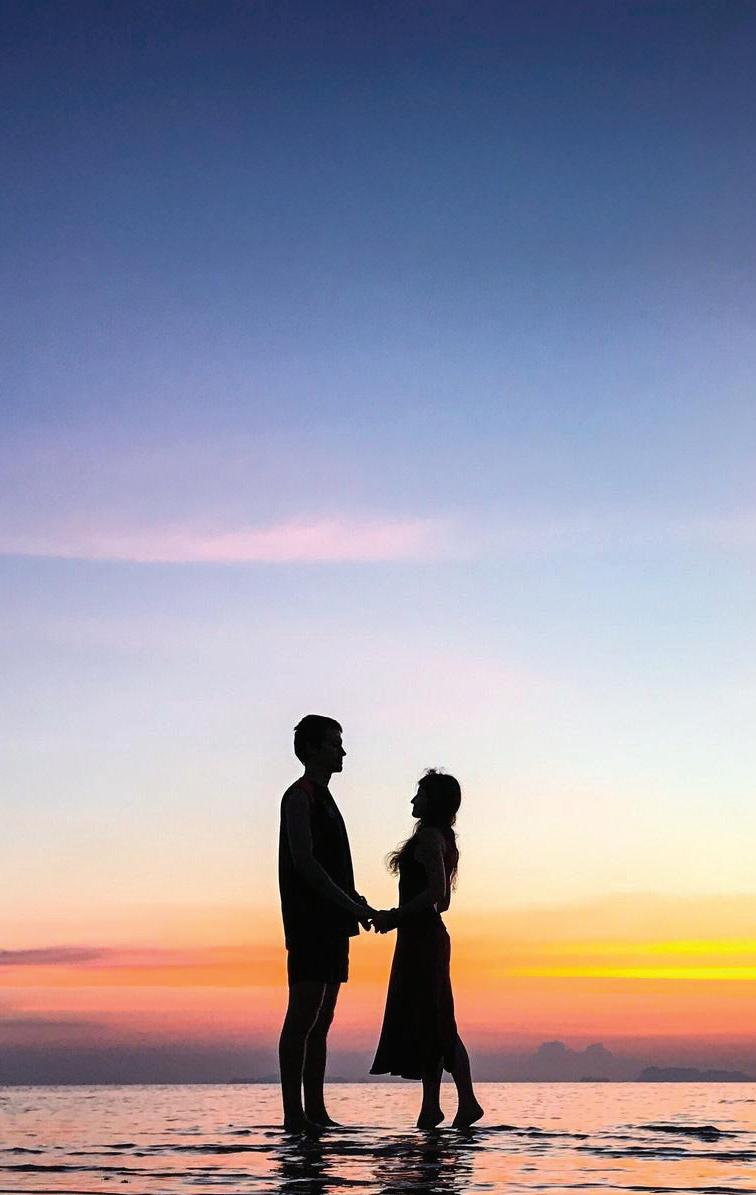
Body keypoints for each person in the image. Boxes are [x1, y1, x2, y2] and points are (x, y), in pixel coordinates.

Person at [278, 715, 375, 1132]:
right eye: (335, 744)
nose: (343, 751)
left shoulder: (327, 800)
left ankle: (316, 1112)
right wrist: (348, 904)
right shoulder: (299, 797)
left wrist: (355, 902)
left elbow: (334, 867)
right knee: (302, 1016)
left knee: (322, 1021)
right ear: (313, 749)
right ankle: (293, 1114)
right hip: (309, 923)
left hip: (335, 923)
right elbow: (305, 863)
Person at [370, 770, 483, 1129]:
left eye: (419, 794)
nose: (412, 800)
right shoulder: (440, 839)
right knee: (427, 1021)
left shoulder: (431, 838)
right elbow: (443, 902)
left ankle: (467, 1102)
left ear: (433, 801)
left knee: (439, 1022)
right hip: (420, 937)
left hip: (422, 940)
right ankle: (430, 1108)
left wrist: (396, 916)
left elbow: (437, 894)